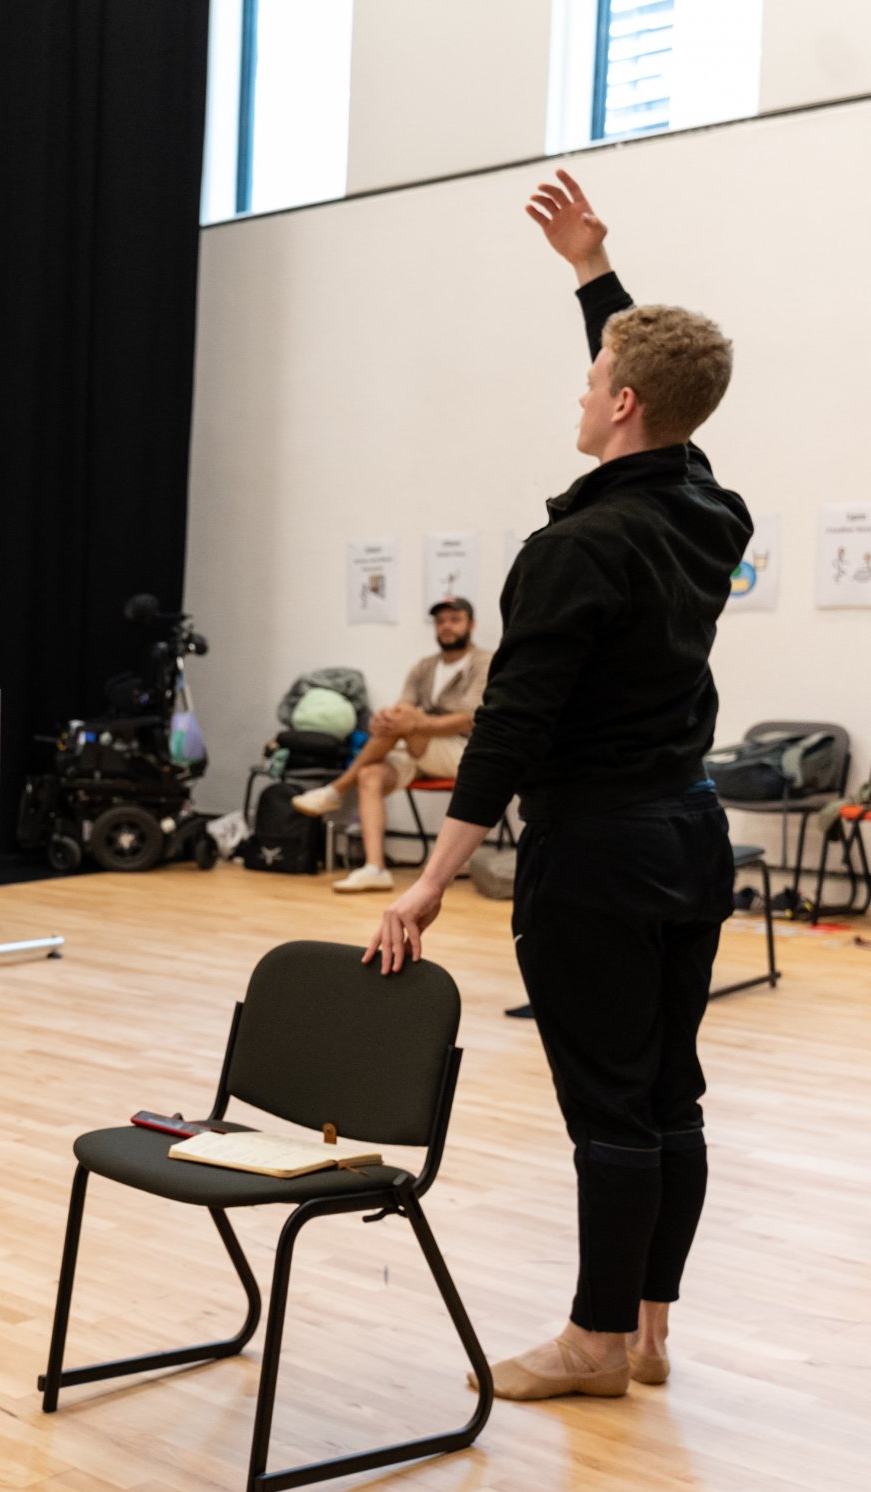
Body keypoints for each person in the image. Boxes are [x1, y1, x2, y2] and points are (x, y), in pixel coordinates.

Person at [368, 169, 744, 1404]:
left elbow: (510, 735)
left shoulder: (573, 548)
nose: (579, 390)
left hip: (597, 855)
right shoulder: (710, 510)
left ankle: (592, 1341)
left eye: (593, 379)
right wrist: (592, 273)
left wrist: (427, 881)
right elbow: (663, 396)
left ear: (621, 403)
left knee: (608, 1106)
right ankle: (647, 1328)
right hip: (690, 835)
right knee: (671, 1090)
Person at [294, 596, 494, 892]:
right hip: (421, 748)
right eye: (441, 621)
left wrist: (411, 723)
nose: (446, 626)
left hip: (464, 751)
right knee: (370, 774)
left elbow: (468, 719)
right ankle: (375, 868)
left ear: (471, 624)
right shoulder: (424, 667)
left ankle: (337, 789)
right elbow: (402, 709)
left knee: (402, 720)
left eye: (455, 620)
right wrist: (384, 721)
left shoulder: (484, 662)